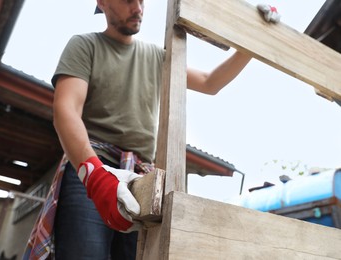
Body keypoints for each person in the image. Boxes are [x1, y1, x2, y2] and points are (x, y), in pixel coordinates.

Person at [50, 0, 252, 259]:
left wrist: (250, 46)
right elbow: (65, 110)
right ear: (102, 2)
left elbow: (210, 82)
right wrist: (94, 175)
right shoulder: (85, 45)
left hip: (143, 177)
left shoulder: (157, 57)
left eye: (142, 0)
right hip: (96, 167)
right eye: (127, 0)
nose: (138, 8)